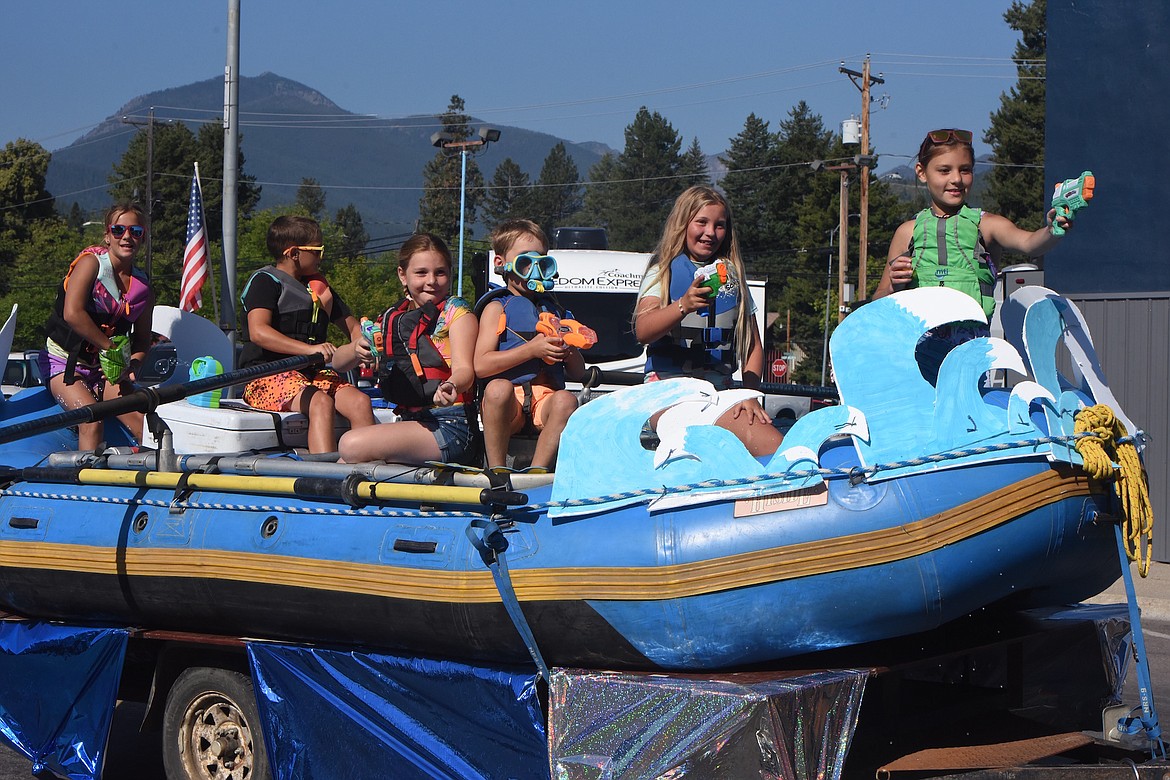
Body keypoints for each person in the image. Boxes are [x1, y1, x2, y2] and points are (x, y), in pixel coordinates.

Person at [872, 128, 1072, 380]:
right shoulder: (906, 232)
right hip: (914, 358)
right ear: (922, 172)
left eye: (964, 170)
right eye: (944, 170)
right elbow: (878, 299)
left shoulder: (986, 225)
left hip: (971, 358)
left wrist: (1053, 229)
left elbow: (1030, 243)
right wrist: (894, 285)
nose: (956, 179)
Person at [633, 185, 782, 458]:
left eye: (719, 225)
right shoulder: (662, 272)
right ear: (683, 224)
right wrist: (683, 305)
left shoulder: (734, 277)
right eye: (701, 222)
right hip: (668, 391)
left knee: (771, 443)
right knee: (697, 435)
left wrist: (748, 395)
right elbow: (643, 330)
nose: (710, 233)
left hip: (720, 392)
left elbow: (752, 347)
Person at [239, 215, 375, 454]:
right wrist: (309, 349)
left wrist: (366, 344)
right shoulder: (264, 281)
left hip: (310, 376)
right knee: (320, 401)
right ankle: (324, 478)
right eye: (318, 250)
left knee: (360, 402)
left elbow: (352, 328)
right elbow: (258, 332)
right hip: (265, 376)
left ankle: (366, 471)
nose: (322, 257)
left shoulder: (320, 289)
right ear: (293, 253)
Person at [338, 234, 479, 465]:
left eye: (440, 272)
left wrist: (452, 385)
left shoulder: (457, 313)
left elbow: (465, 370)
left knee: (350, 445)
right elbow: (338, 363)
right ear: (402, 275)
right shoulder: (393, 318)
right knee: (343, 465)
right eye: (421, 273)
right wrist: (356, 349)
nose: (432, 281)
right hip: (410, 422)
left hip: (450, 425)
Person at [40, 202, 156, 451]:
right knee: (92, 421)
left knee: (143, 422)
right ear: (107, 235)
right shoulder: (91, 263)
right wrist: (110, 348)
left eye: (135, 232)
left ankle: (154, 479)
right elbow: (73, 314)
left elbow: (142, 340)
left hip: (107, 371)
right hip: (64, 363)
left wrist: (132, 365)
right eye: (118, 230)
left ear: (142, 238)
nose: (127, 237)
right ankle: (88, 484)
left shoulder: (143, 287)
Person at [474, 219, 586, 472]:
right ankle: (497, 468)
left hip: (543, 403)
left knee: (566, 400)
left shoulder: (555, 309)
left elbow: (579, 373)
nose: (534, 269)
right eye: (525, 261)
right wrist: (531, 350)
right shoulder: (496, 307)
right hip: (508, 404)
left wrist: (568, 351)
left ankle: (538, 470)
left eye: (541, 261)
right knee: (497, 389)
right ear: (502, 264)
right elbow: (480, 365)